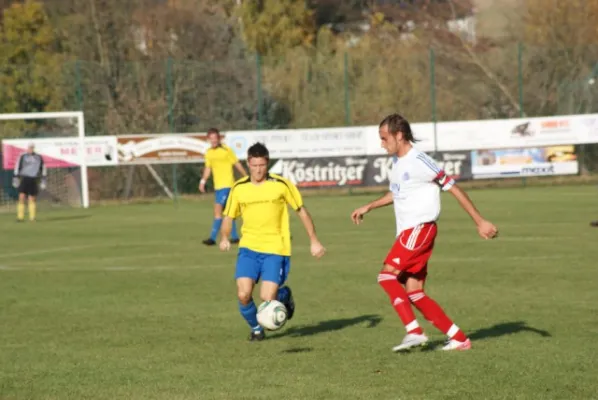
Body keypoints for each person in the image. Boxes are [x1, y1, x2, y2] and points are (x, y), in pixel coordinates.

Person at [351, 114, 498, 352]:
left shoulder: (420, 160)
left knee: (386, 277)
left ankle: (414, 331)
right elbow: (397, 194)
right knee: (415, 292)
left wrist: (479, 221)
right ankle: (459, 338)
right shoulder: (398, 162)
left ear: (399, 136)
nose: (381, 143)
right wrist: (370, 205)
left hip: (419, 229)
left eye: (384, 138)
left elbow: (452, 187)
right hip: (410, 233)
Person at [219, 142, 326, 341]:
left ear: (267, 164)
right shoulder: (239, 188)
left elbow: (301, 211)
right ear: (248, 164)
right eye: (254, 165)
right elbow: (228, 217)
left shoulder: (281, 184)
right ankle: (256, 329)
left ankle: (283, 295)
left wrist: (314, 240)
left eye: (262, 165)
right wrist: (225, 237)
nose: (258, 170)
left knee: (267, 301)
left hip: (276, 249)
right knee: (243, 295)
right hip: (248, 249)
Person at [199, 128, 247, 246]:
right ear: (208, 140)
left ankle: (212, 238)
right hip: (218, 187)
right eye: (211, 139)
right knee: (228, 212)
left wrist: (246, 176)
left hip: (228, 185)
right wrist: (203, 181)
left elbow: (236, 163)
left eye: (215, 138)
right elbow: (208, 169)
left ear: (219, 138)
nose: (213, 140)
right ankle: (235, 237)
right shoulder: (209, 153)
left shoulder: (226, 150)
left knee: (218, 211)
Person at [12, 143, 47, 222]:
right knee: (21, 197)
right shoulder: (22, 156)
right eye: (29, 147)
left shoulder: (38, 157)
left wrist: (43, 180)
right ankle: (20, 217)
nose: (31, 149)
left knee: (32, 198)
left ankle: (32, 218)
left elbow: (43, 168)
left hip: (33, 179)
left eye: (32, 147)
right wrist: (15, 178)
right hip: (24, 178)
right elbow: (17, 167)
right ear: (27, 148)